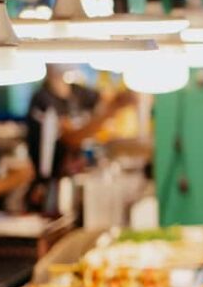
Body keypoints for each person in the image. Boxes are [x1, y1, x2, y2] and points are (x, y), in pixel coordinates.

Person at [25, 65, 136, 207]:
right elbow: (71, 138)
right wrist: (110, 112)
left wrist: (120, 97)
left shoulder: (77, 92)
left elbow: (104, 99)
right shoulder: (42, 100)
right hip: (50, 187)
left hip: (78, 180)